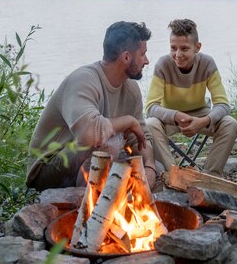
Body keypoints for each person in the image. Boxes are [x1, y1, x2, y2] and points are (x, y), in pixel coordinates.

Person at [26, 21, 158, 191]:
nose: (146, 61)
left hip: (92, 161)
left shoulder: (131, 88)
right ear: (126, 57)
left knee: (152, 169)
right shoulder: (83, 80)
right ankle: (89, 210)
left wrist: (149, 167)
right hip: (48, 170)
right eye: (143, 54)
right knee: (107, 143)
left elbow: (140, 137)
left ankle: (111, 207)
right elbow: (89, 135)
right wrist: (128, 121)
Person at [145, 18, 237, 177]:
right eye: (173, 48)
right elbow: (151, 107)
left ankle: (211, 176)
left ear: (197, 47)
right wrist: (175, 116)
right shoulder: (163, 65)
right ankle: (174, 176)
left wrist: (204, 121)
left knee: (230, 123)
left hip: (201, 115)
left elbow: (222, 104)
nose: (178, 54)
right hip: (172, 118)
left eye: (184, 49)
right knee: (150, 124)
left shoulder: (207, 63)